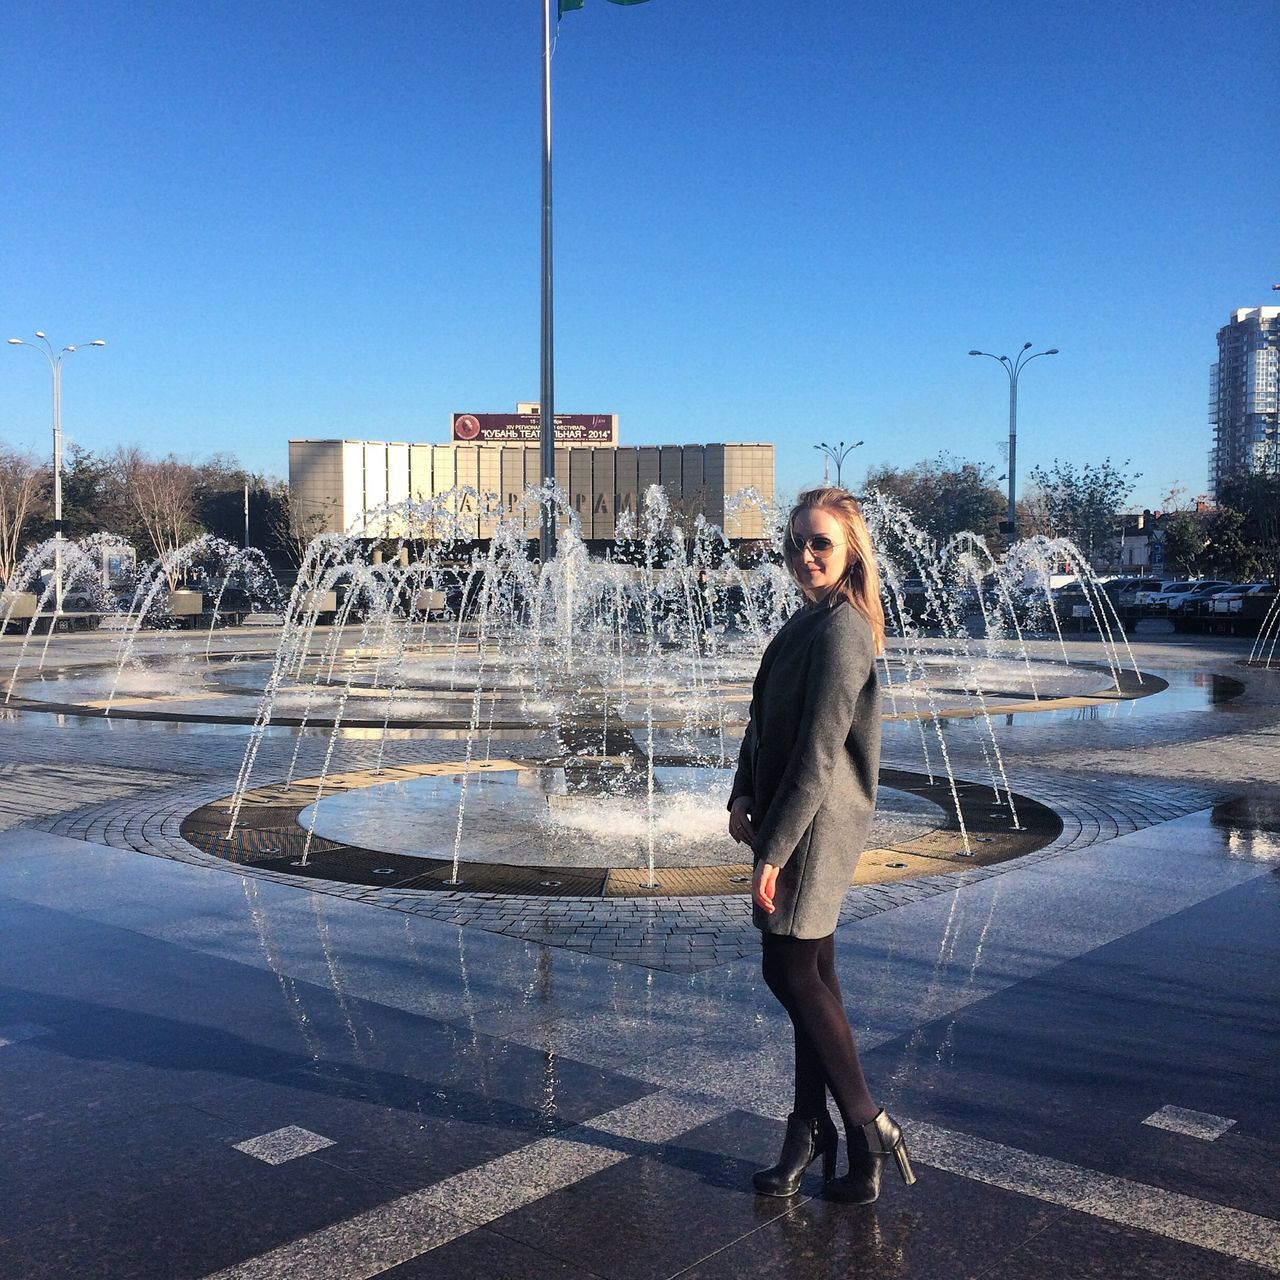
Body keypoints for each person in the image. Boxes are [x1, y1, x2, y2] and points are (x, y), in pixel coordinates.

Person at [727, 486, 916, 1204]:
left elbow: (815, 753)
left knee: (789, 971)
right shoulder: (807, 621)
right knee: (815, 979)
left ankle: (865, 1124)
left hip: (812, 827)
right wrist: (741, 791)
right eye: (799, 543)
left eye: (822, 544)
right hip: (784, 817)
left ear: (850, 551)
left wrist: (772, 850)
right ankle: (817, 1135)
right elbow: (761, 724)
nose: (806, 556)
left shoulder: (843, 629)